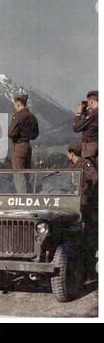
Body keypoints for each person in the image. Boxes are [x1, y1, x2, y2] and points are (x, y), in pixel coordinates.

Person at [67, 143, 98, 277]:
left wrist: (87, 191)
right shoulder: (72, 166)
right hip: (74, 200)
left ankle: (88, 269)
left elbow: (95, 178)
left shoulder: (85, 164)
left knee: (86, 236)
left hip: (84, 203)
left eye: (69, 153)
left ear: (72, 153)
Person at [8, 94, 39, 192]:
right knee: (27, 173)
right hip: (28, 145)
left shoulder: (18, 116)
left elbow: (11, 133)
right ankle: (29, 196)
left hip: (18, 146)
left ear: (17, 104)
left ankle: (21, 197)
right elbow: (35, 134)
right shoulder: (32, 117)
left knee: (18, 174)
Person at [73, 90, 98, 165]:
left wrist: (79, 113)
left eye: (88, 102)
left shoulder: (94, 114)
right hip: (95, 146)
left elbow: (76, 128)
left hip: (90, 149)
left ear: (91, 101)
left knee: (90, 171)